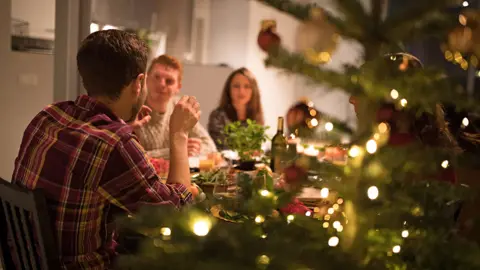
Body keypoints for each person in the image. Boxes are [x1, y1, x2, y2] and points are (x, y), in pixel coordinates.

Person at [11, 30, 199, 269]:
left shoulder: (48, 116)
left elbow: (86, 157)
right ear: (139, 82)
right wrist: (179, 135)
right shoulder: (113, 144)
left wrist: (125, 129)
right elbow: (177, 215)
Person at [136, 55, 217, 158]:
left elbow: (210, 146)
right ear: (146, 79)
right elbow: (133, 158)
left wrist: (193, 149)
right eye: (156, 77)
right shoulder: (133, 108)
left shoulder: (181, 108)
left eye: (169, 81)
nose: (161, 84)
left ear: (178, 87)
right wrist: (177, 150)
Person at [208, 67, 265, 150]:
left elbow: (256, 149)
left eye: (247, 86)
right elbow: (221, 149)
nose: (241, 91)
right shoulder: (218, 116)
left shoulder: (256, 116)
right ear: (228, 89)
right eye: (236, 86)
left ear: (254, 90)